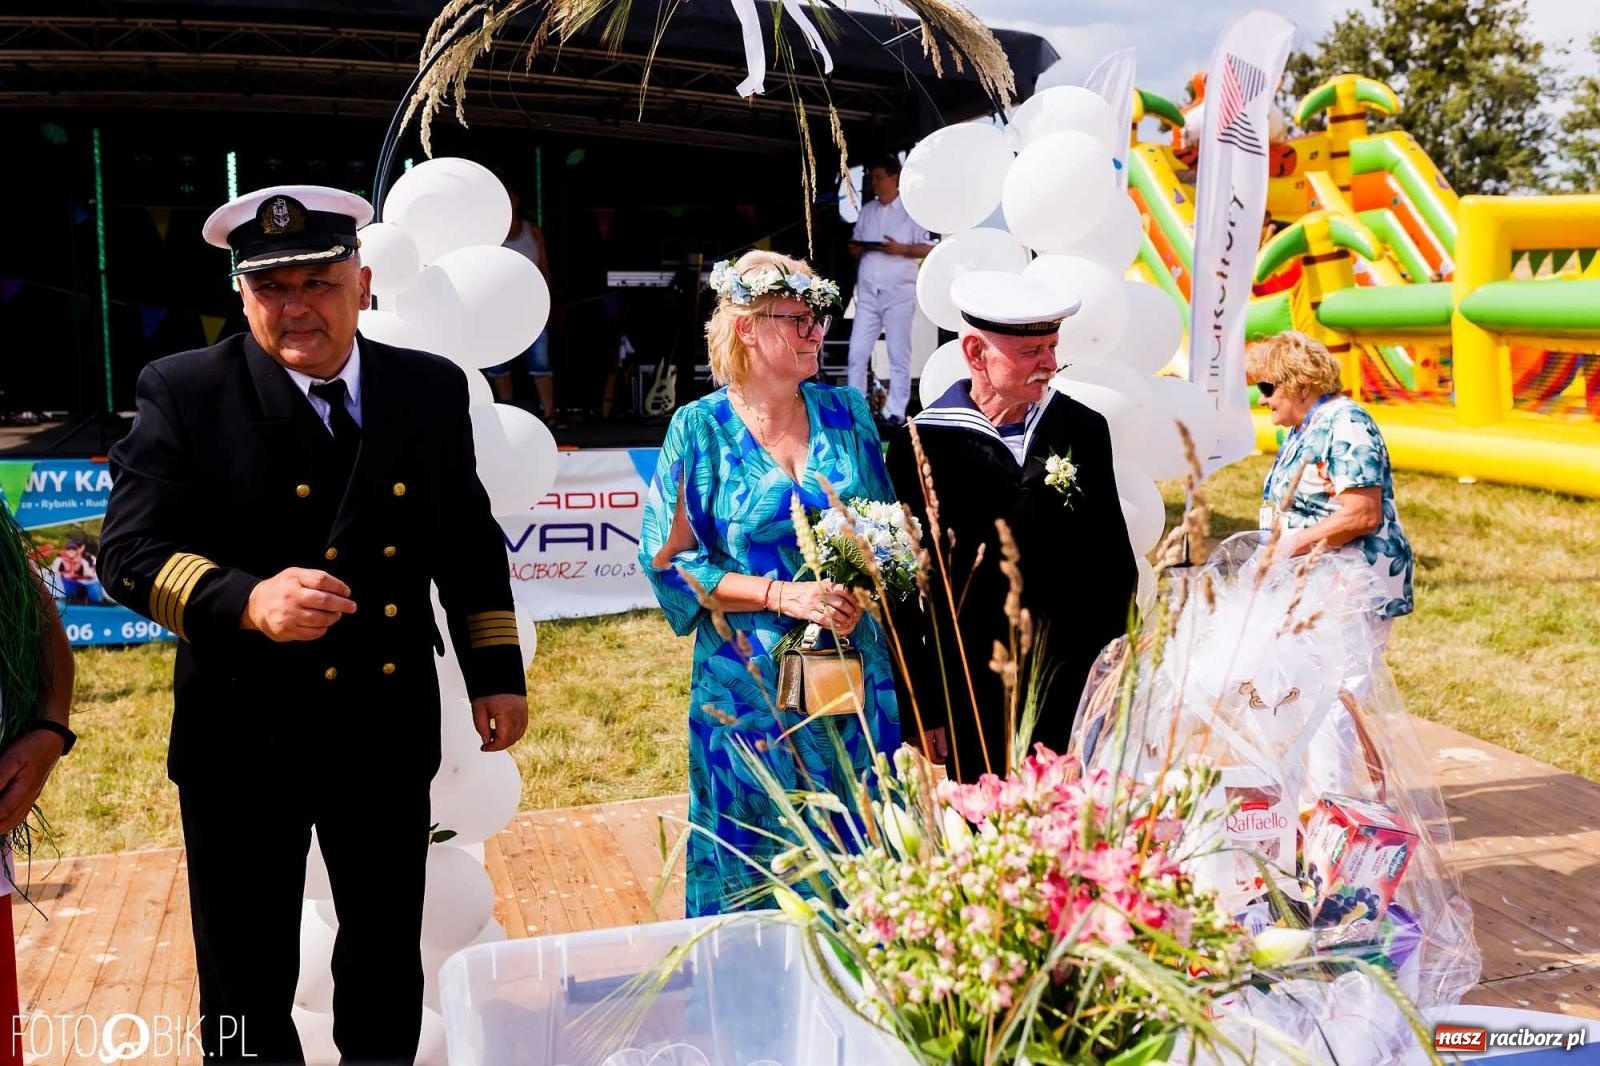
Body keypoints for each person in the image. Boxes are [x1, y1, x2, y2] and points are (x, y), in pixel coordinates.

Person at [100, 184, 529, 1064]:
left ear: (362, 280)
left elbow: (467, 538)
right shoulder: (184, 391)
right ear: (243, 296)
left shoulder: (428, 388)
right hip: (243, 737)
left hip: (381, 724)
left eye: (319, 283)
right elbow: (130, 553)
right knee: (244, 974)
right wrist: (245, 600)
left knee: (382, 960)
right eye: (272, 288)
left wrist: (496, 671)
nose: (297, 307)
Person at [638, 250, 900, 917]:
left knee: (859, 835)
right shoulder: (698, 430)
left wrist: (867, 578)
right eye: (798, 319)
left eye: (819, 317)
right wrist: (781, 595)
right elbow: (668, 560)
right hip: (746, 683)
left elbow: (886, 528)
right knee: (751, 852)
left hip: (849, 673)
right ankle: (746, 1005)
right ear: (747, 327)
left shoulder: (848, 413)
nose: (816, 331)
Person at [885, 272, 1136, 783]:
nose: (1048, 363)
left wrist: (1113, 677)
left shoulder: (1083, 429)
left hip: (1074, 684)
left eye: (1052, 346)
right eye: (1030, 351)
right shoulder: (922, 444)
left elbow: (1115, 566)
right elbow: (907, 595)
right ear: (975, 353)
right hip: (973, 692)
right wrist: (924, 707)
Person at [1247, 330, 1413, 646]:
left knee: (1335, 691)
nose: (1262, 399)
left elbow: (1362, 515)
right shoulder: (1304, 427)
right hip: (1314, 580)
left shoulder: (1345, 422)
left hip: (1349, 583)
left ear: (1302, 386)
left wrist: (1287, 548)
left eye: (1267, 388)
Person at [847, 157, 933, 427]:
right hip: (869, 294)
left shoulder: (911, 211)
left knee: (898, 354)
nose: (874, 182)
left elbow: (930, 247)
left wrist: (903, 249)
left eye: (878, 177)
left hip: (899, 294)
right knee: (856, 353)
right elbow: (856, 242)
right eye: (872, 177)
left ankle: (896, 412)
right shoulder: (868, 210)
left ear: (895, 178)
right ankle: (856, 408)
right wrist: (857, 248)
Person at [485, 173, 557, 422]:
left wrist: (546, 304)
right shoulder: (491, 234)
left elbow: (545, 269)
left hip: (532, 308)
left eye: (509, 196)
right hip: (499, 309)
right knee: (499, 363)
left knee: (541, 361)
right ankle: (507, 414)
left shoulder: (532, 231)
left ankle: (550, 414)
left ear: (516, 200)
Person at [48, 536, 107, 606]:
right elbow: (53, 572)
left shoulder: (90, 559)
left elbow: (94, 574)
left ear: (83, 548)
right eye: (70, 549)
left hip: (89, 583)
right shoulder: (60, 560)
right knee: (68, 588)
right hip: (69, 584)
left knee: (95, 591)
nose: (73, 551)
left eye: (77, 547)